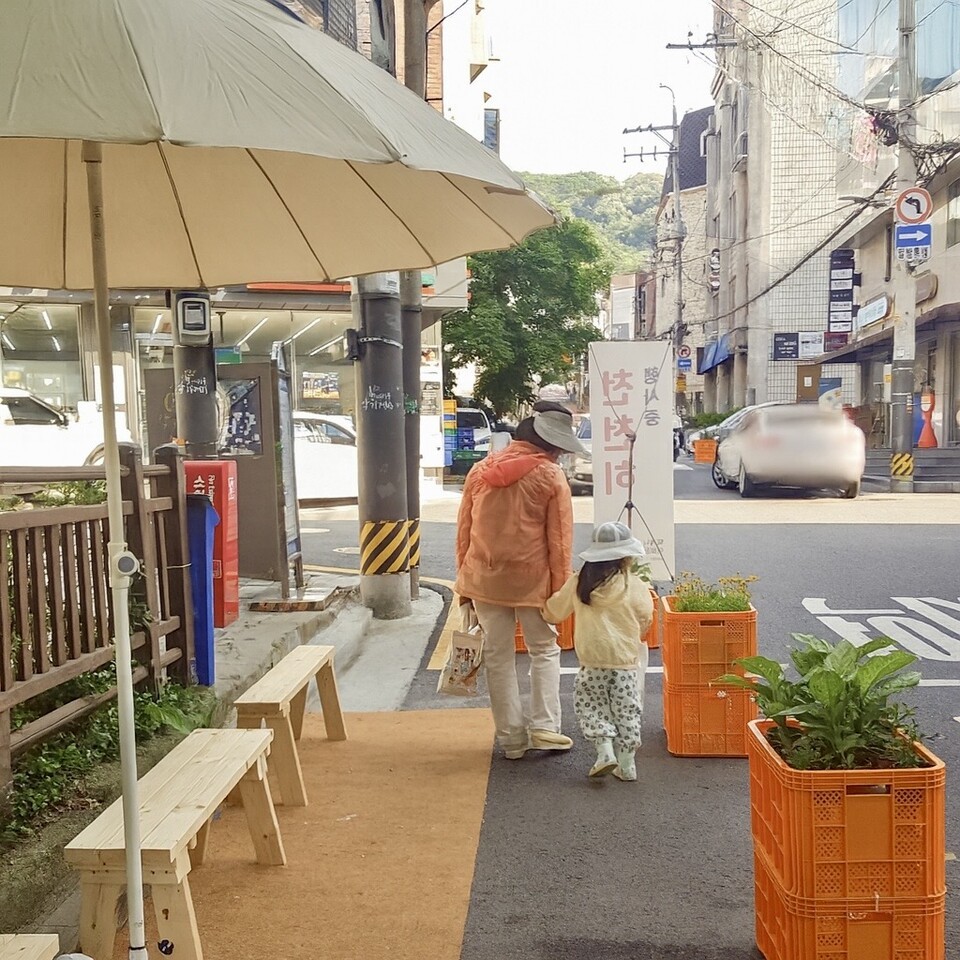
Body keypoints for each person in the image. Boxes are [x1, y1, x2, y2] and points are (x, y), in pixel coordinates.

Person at [455, 400, 587, 759]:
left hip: (483, 578)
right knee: (543, 650)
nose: (560, 454)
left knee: (498, 657)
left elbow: (464, 532)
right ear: (549, 445)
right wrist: (559, 592)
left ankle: (511, 740)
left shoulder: (480, 471)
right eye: (558, 447)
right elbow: (559, 541)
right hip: (533, 582)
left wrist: (463, 586)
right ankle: (545, 727)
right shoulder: (549, 475)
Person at [542, 522, 653, 781]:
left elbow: (555, 611)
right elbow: (646, 616)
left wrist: (543, 611)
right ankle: (627, 764)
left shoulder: (580, 583)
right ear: (626, 557)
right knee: (627, 710)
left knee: (592, 706)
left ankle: (605, 752)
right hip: (625, 662)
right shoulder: (634, 584)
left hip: (591, 661)